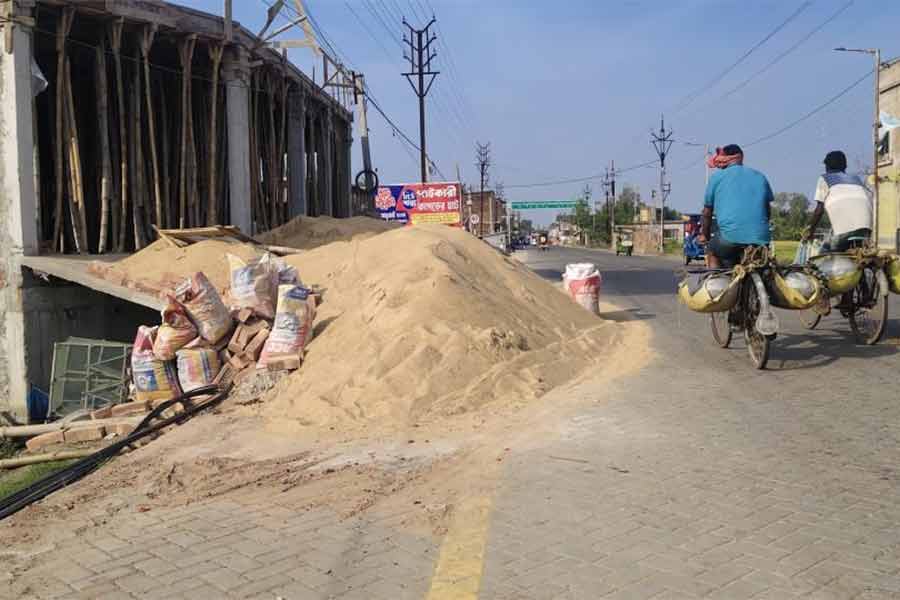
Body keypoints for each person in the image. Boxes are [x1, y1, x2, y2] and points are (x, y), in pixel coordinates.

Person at [697, 144, 774, 268]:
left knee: (713, 250)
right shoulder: (760, 176)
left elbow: (707, 212)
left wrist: (704, 235)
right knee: (763, 269)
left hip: (728, 239)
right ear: (741, 158)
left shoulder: (717, 177)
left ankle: (715, 280)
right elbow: (767, 210)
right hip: (760, 240)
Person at [802, 150, 872, 251]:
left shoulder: (824, 179)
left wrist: (810, 230)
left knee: (824, 254)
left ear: (828, 166)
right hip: (866, 231)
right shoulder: (856, 179)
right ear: (845, 166)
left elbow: (819, 210)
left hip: (845, 232)